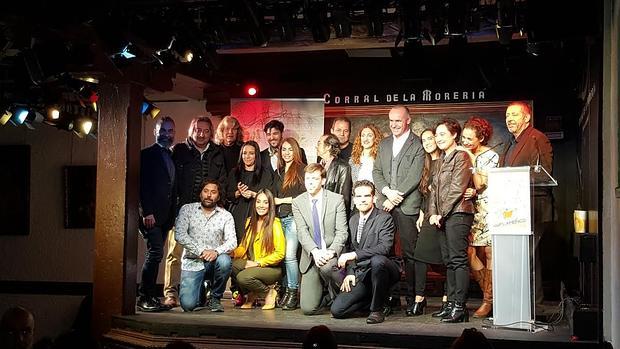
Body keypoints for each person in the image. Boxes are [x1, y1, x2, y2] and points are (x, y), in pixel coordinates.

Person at [164, 116, 228, 308]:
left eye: (206, 131)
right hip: (182, 212)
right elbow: (172, 183)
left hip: (207, 214)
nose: (201, 134)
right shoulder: (180, 151)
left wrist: (220, 206)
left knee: (207, 254)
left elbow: (222, 181)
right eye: (197, 130)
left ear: (211, 133)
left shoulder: (217, 153)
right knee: (175, 253)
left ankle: (203, 292)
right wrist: (173, 212)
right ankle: (170, 293)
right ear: (191, 131)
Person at [372, 105, 425, 314]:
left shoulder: (417, 144)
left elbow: (415, 175)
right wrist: (386, 190)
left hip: (407, 206)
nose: (394, 124)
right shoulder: (384, 144)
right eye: (391, 120)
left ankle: (414, 299)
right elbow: (377, 171)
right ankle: (390, 297)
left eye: (398, 120)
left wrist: (395, 197)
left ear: (408, 120)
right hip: (385, 203)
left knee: (411, 254)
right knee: (387, 252)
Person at [501, 101, 554, 305]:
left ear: (527, 117)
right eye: (507, 116)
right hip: (514, 208)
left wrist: (512, 177)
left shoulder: (537, 138)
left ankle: (534, 305)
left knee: (529, 257)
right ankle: (520, 302)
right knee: (520, 258)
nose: (509, 119)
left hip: (535, 206)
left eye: (514, 114)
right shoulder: (510, 142)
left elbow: (544, 173)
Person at [330, 180, 400, 324]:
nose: (363, 199)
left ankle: (377, 311)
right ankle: (377, 299)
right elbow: (351, 247)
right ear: (354, 199)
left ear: (374, 198)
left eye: (367, 196)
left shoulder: (384, 218)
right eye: (359, 196)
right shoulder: (353, 220)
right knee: (337, 310)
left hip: (384, 270)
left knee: (378, 261)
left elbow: (384, 248)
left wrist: (354, 256)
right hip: (363, 273)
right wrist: (350, 273)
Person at [428, 118, 474, 323]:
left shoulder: (461, 156)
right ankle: (450, 304)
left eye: (442, 134)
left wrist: (442, 213)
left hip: (458, 213)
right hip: (443, 216)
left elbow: (457, 188)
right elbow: (433, 191)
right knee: (449, 262)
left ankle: (459, 307)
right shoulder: (440, 161)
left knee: (458, 260)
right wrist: (432, 214)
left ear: (454, 135)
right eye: (436, 135)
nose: (438, 138)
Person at [293, 163, 348, 315]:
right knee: (308, 309)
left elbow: (342, 232)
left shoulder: (336, 199)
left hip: (331, 255)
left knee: (327, 266)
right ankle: (328, 295)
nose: (310, 182)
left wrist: (330, 252)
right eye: (308, 179)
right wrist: (315, 252)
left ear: (323, 181)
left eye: (315, 179)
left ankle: (339, 293)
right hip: (312, 257)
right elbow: (302, 232)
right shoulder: (298, 202)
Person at [458, 117, 499, 318]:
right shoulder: (461, 153)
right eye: (463, 137)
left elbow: (481, 184)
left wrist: (472, 160)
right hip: (469, 209)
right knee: (469, 252)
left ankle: (488, 301)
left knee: (490, 252)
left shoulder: (491, 156)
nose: (464, 142)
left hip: (488, 207)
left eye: (469, 138)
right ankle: (493, 296)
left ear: (481, 137)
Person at [175, 180, 236, 312]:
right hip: (193, 261)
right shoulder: (187, 209)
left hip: (214, 262)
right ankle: (202, 289)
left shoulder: (226, 215)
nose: (209, 195)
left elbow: (232, 242)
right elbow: (179, 234)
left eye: (213, 192)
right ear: (200, 194)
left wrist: (215, 251)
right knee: (188, 305)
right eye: (206, 191)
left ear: (218, 196)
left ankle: (215, 298)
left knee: (225, 261)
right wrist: (201, 251)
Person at [137, 116, 176, 312]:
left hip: (165, 216)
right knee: (155, 253)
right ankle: (144, 297)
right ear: (155, 132)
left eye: (170, 131)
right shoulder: (147, 155)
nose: (166, 134)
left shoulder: (172, 155)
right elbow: (142, 186)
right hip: (151, 215)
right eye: (163, 130)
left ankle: (151, 297)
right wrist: (147, 212)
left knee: (157, 254)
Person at [411, 128, 447, 316]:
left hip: (445, 214)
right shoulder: (424, 163)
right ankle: (419, 298)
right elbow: (424, 194)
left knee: (446, 259)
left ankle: (447, 299)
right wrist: (420, 213)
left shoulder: (446, 159)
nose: (427, 142)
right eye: (423, 140)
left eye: (430, 138)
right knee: (420, 256)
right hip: (427, 214)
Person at [230, 189, 285, 310]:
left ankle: (269, 293)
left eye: (265, 202)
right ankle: (251, 294)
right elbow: (244, 247)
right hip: (253, 265)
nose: (261, 205)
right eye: (258, 202)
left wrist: (258, 263)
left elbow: (280, 253)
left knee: (243, 277)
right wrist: (232, 252)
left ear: (270, 205)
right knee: (230, 265)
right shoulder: (250, 222)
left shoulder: (275, 224)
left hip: (270, 268)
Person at [273, 138, 307, 310]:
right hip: (280, 218)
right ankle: (286, 291)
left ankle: (293, 292)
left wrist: (280, 200)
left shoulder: (301, 169)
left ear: (296, 151)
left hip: (294, 217)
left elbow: (303, 196)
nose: (286, 153)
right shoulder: (278, 171)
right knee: (283, 258)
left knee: (290, 256)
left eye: (289, 149)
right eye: (283, 149)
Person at [226, 141, 272, 242]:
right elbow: (228, 195)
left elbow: (269, 196)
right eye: (244, 153)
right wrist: (238, 192)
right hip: (237, 213)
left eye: (251, 153)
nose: (247, 156)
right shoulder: (234, 172)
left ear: (256, 155)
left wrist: (253, 194)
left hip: (256, 214)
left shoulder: (265, 173)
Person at [316, 134, 352, 213]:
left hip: (332, 214)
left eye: (319, 143)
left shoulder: (343, 167)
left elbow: (345, 198)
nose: (316, 146)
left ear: (328, 147)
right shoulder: (318, 165)